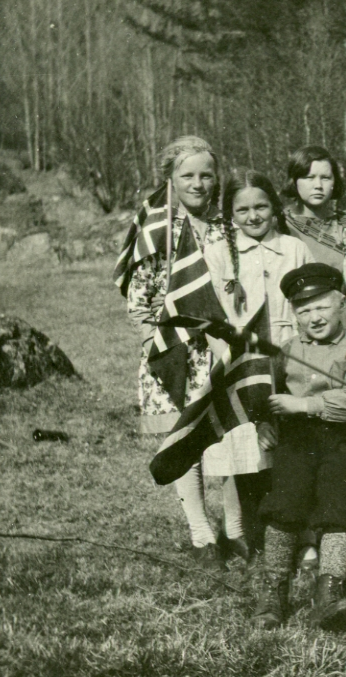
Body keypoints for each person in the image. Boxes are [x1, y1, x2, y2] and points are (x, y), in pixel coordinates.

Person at [122, 135, 231, 569]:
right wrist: (155, 345)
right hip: (174, 350)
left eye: (207, 174)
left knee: (226, 434)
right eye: (187, 175)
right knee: (184, 440)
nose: (198, 183)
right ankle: (201, 533)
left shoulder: (227, 225)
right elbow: (139, 300)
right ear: (170, 179)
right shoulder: (157, 229)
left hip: (221, 345)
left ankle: (237, 529)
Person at [252, 263, 346, 631]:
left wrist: (305, 404)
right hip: (298, 440)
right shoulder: (286, 350)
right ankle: (274, 590)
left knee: (340, 502)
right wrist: (264, 424)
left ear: (341, 304)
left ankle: (330, 592)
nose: (314, 316)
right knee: (284, 504)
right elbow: (265, 394)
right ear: (294, 315)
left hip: (343, 438)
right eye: (304, 310)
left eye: (322, 306)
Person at [203, 169, 315, 560]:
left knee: (285, 446)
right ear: (230, 213)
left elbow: (309, 303)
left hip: (288, 357)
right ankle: (237, 530)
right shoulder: (218, 253)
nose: (253, 216)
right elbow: (213, 314)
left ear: (274, 207)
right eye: (243, 209)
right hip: (240, 361)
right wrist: (228, 359)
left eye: (261, 207)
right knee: (242, 445)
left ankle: (295, 534)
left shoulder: (293, 249)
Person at [282, 146, 346, 333]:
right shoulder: (282, 226)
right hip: (305, 322)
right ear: (295, 181)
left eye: (325, 178)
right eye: (309, 177)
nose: (318, 185)